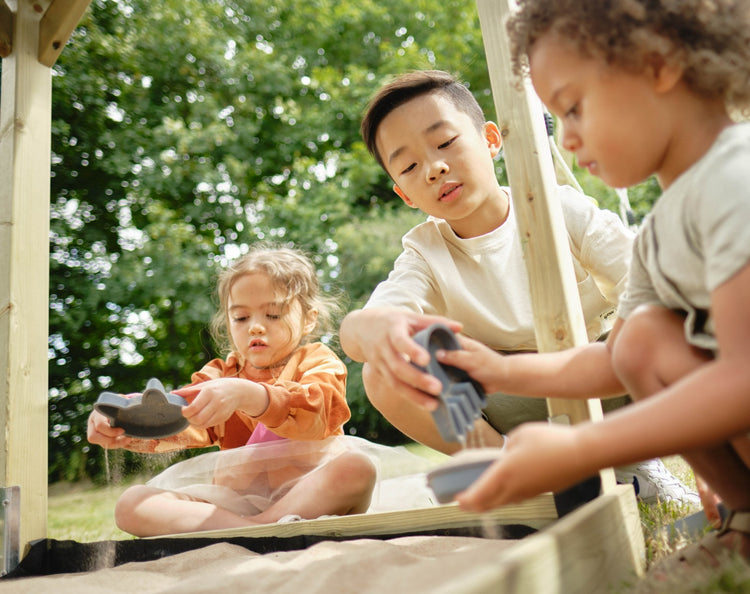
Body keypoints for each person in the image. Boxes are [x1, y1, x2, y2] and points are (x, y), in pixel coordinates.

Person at [433, 0, 750, 563]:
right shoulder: (660, 231)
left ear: (658, 64)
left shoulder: (736, 177)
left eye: (574, 108)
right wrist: (499, 369)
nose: (569, 139)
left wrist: (581, 446)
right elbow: (615, 359)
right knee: (644, 337)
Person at [338, 69, 697, 504]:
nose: (434, 168)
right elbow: (367, 323)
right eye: (410, 166)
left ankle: (635, 458)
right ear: (405, 195)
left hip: (602, 378)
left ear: (491, 139)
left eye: (446, 143)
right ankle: (512, 467)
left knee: (666, 323)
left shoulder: (557, 207)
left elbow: (646, 278)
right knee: (383, 372)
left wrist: (623, 345)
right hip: (509, 402)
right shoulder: (424, 253)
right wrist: (369, 330)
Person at [87, 244, 377, 537]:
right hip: (233, 505)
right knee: (131, 503)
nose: (255, 328)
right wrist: (124, 418)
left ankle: (261, 528)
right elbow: (179, 412)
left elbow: (319, 411)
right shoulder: (221, 373)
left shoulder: (316, 360)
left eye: (273, 315)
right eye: (240, 318)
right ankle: (258, 530)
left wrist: (250, 395)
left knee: (357, 468)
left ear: (309, 318)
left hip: (308, 492)